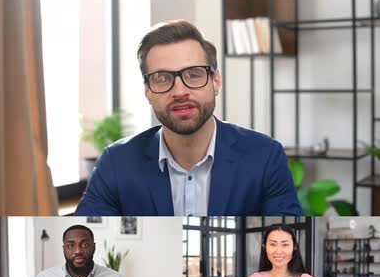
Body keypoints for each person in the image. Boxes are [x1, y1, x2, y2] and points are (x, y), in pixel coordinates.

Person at [75, 20, 302, 216]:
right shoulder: (116, 163)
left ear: (216, 81)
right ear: (147, 91)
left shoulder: (265, 157)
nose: (180, 91)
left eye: (193, 75)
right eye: (162, 78)